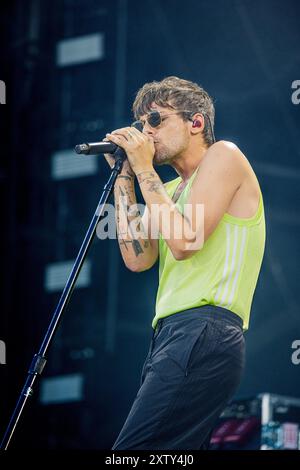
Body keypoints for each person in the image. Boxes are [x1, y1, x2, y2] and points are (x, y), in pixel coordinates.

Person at [104, 76, 266, 450]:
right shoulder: (172, 191)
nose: (146, 133)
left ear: (195, 123)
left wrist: (145, 171)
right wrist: (125, 179)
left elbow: (184, 241)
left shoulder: (225, 154)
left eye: (156, 120)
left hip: (206, 326)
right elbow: (137, 257)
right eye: (141, 125)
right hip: (169, 335)